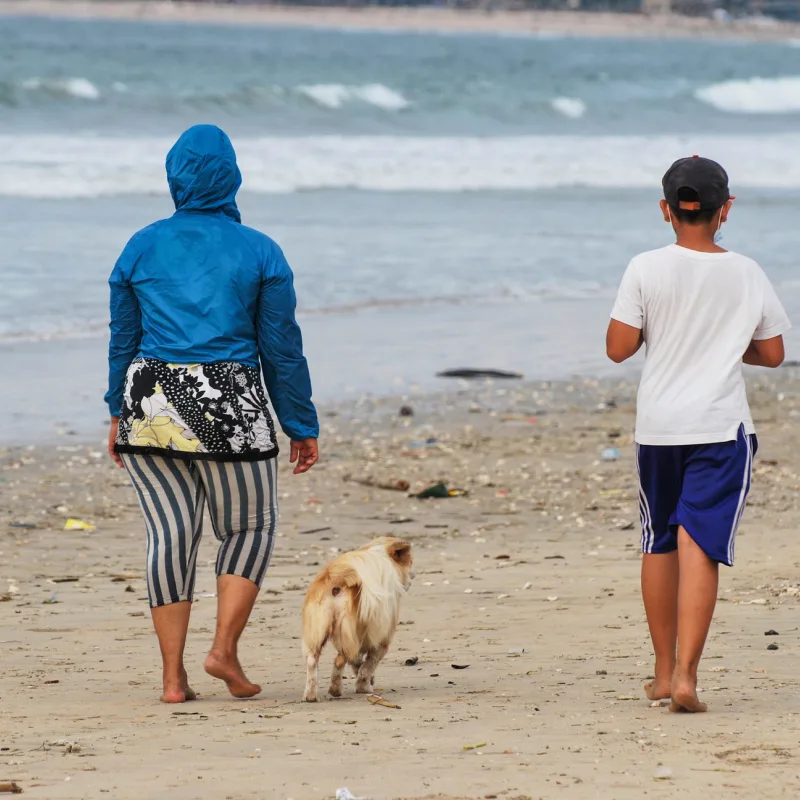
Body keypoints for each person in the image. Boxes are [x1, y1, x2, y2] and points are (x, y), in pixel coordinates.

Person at [105, 124, 319, 703]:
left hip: (150, 401)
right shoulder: (261, 250)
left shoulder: (140, 246)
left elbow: (123, 339)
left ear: (174, 177)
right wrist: (300, 422)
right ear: (232, 176)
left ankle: (172, 679)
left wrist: (115, 411)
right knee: (249, 528)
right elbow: (281, 348)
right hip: (229, 404)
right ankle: (222, 650)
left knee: (169, 535)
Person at [606, 156, 790, 713]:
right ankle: (688, 677)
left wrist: (664, 331)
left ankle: (661, 674)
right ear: (724, 210)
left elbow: (618, 347)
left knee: (658, 539)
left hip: (660, 426)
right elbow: (774, 353)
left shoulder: (645, 267)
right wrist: (725, 343)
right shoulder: (747, 271)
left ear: (666, 210)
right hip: (719, 425)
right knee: (699, 543)